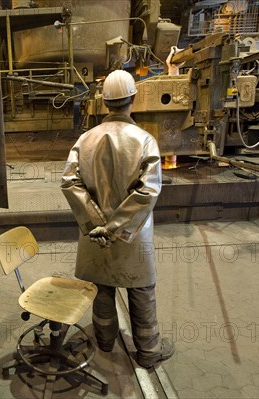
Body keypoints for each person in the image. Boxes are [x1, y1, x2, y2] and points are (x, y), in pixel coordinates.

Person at [60, 69, 174, 368]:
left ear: (104, 102)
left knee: (101, 287)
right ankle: (148, 352)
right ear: (133, 99)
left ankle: (106, 342)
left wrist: (96, 224)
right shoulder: (145, 140)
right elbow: (148, 191)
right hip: (133, 235)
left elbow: (70, 182)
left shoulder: (85, 139)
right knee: (141, 291)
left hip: (93, 234)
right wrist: (116, 225)